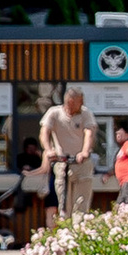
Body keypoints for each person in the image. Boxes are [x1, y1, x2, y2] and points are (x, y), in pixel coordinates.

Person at [38, 84, 97, 223]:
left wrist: (84, 151)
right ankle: (66, 234)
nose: (82, 104)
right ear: (70, 101)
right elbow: (44, 132)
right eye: (79, 102)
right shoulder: (54, 113)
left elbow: (89, 133)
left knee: (81, 203)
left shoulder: (85, 113)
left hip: (81, 163)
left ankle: (79, 233)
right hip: (62, 162)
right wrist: (48, 149)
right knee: (64, 205)